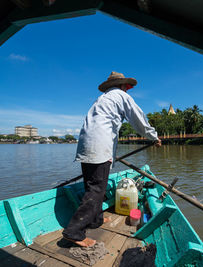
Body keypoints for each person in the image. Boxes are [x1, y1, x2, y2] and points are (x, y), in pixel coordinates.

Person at [62, 71, 162, 247]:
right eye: (128, 87)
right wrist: (153, 137)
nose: (128, 90)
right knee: (96, 190)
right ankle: (73, 231)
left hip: (88, 145)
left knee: (92, 185)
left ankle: (95, 220)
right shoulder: (121, 96)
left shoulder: (103, 98)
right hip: (99, 146)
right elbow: (138, 119)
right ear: (123, 86)